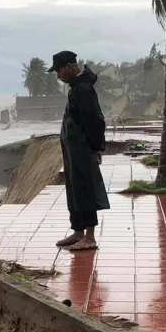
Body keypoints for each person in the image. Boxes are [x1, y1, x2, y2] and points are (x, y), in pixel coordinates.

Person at [49, 50, 109, 252]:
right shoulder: (75, 88)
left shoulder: (83, 89)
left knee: (86, 189)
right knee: (74, 188)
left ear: (69, 67)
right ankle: (78, 231)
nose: (58, 76)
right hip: (72, 150)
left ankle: (90, 236)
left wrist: (97, 146)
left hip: (83, 149)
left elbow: (95, 120)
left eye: (59, 71)